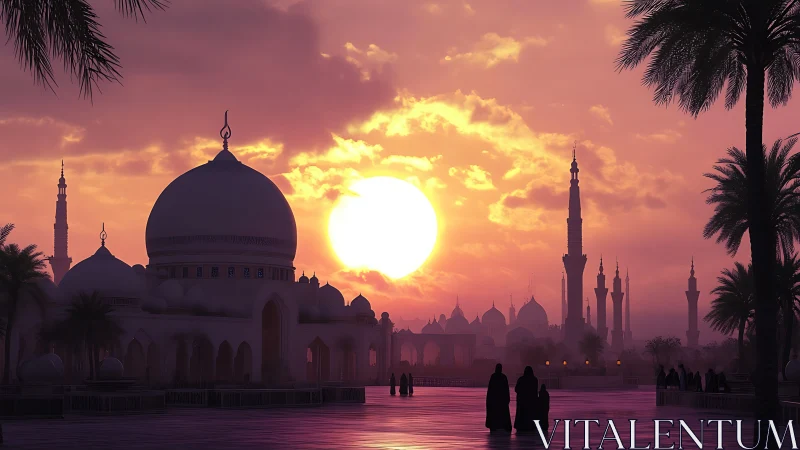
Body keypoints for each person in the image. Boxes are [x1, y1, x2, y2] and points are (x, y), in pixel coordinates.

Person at [485, 363, 512, 433]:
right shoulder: (503, 377)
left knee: (495, 414)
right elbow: (506, 389)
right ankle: (502, 425)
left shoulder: (493, 377)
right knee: (502, 413)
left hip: (494, 400)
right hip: (502, 400)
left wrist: (489, 400)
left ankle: (494, 425)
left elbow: (490, 389)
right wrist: (507, 398)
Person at [513, 366, 538, 433]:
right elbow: (535, 391)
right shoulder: (534, 380)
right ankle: (530, 426)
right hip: (531, 402)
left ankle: (521, 426)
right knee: (530, 415)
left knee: (522, 414)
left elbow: (516, 389)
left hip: (522, 401)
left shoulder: (521, 379)